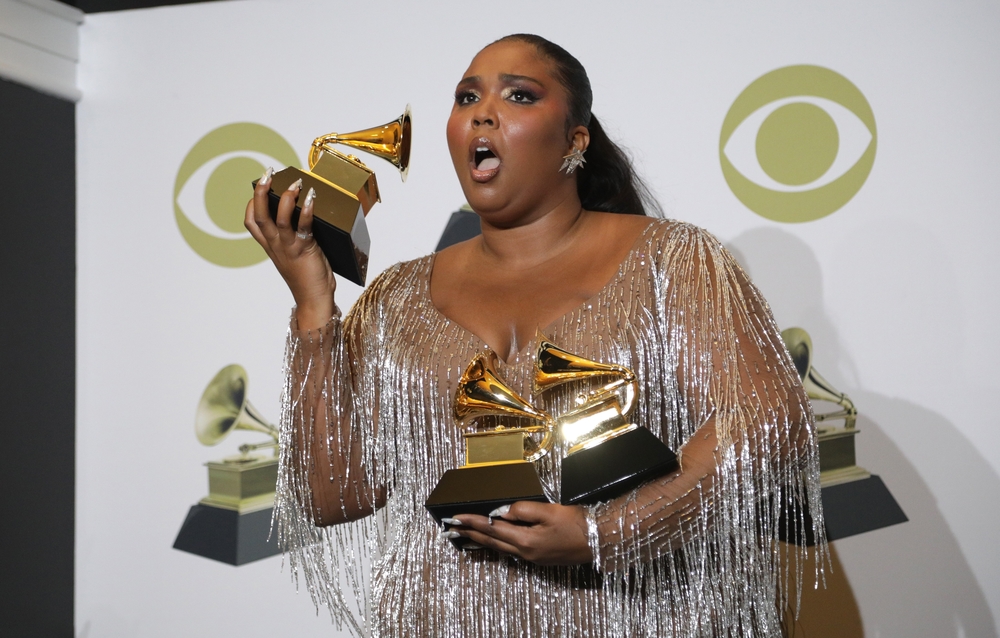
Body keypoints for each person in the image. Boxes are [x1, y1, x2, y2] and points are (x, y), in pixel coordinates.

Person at [245, 33, 825, 638]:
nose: (482, 111)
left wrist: (605, 534)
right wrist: (314, 304)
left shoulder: (675, 259)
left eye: (519, 95)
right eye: (467, 96)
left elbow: (769, 424)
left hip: (644, 617)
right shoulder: (396, 296)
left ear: (576, 141)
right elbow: (333, 496)